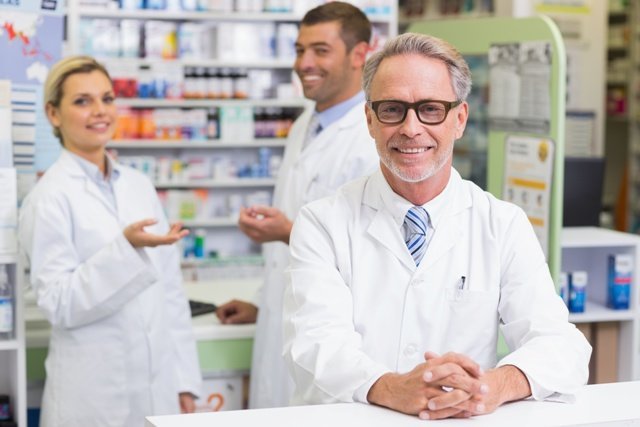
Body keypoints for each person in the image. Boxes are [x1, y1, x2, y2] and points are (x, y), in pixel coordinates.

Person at [283, 33, 592, 421]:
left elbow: (561, 345)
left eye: (430, 109)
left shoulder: (501, 224)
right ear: (370, 120)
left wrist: (493, 386)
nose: (411, 128)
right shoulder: (322, 224)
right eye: (393, 109)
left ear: (459, 119)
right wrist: (391, 388)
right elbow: (314, 345)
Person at [19, 56, 202, 427]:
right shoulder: (49, 197)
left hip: (158, 387)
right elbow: (58, 304)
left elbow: (170, 292)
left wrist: (184, 381)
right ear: (53, 114)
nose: (99, 111)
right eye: (82, 101)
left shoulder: (138, 185)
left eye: (107, 98)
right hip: (92, 396)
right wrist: (126, 250)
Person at [215, 2, 379, 409]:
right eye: (299, 49)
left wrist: (288, 231)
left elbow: (374, 252)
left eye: (320, 50)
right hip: (286, 320)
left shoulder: (371, 138)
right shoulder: (304, 126)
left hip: (338, 339)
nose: (304, 63)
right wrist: (264, 302)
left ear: (360, 55)